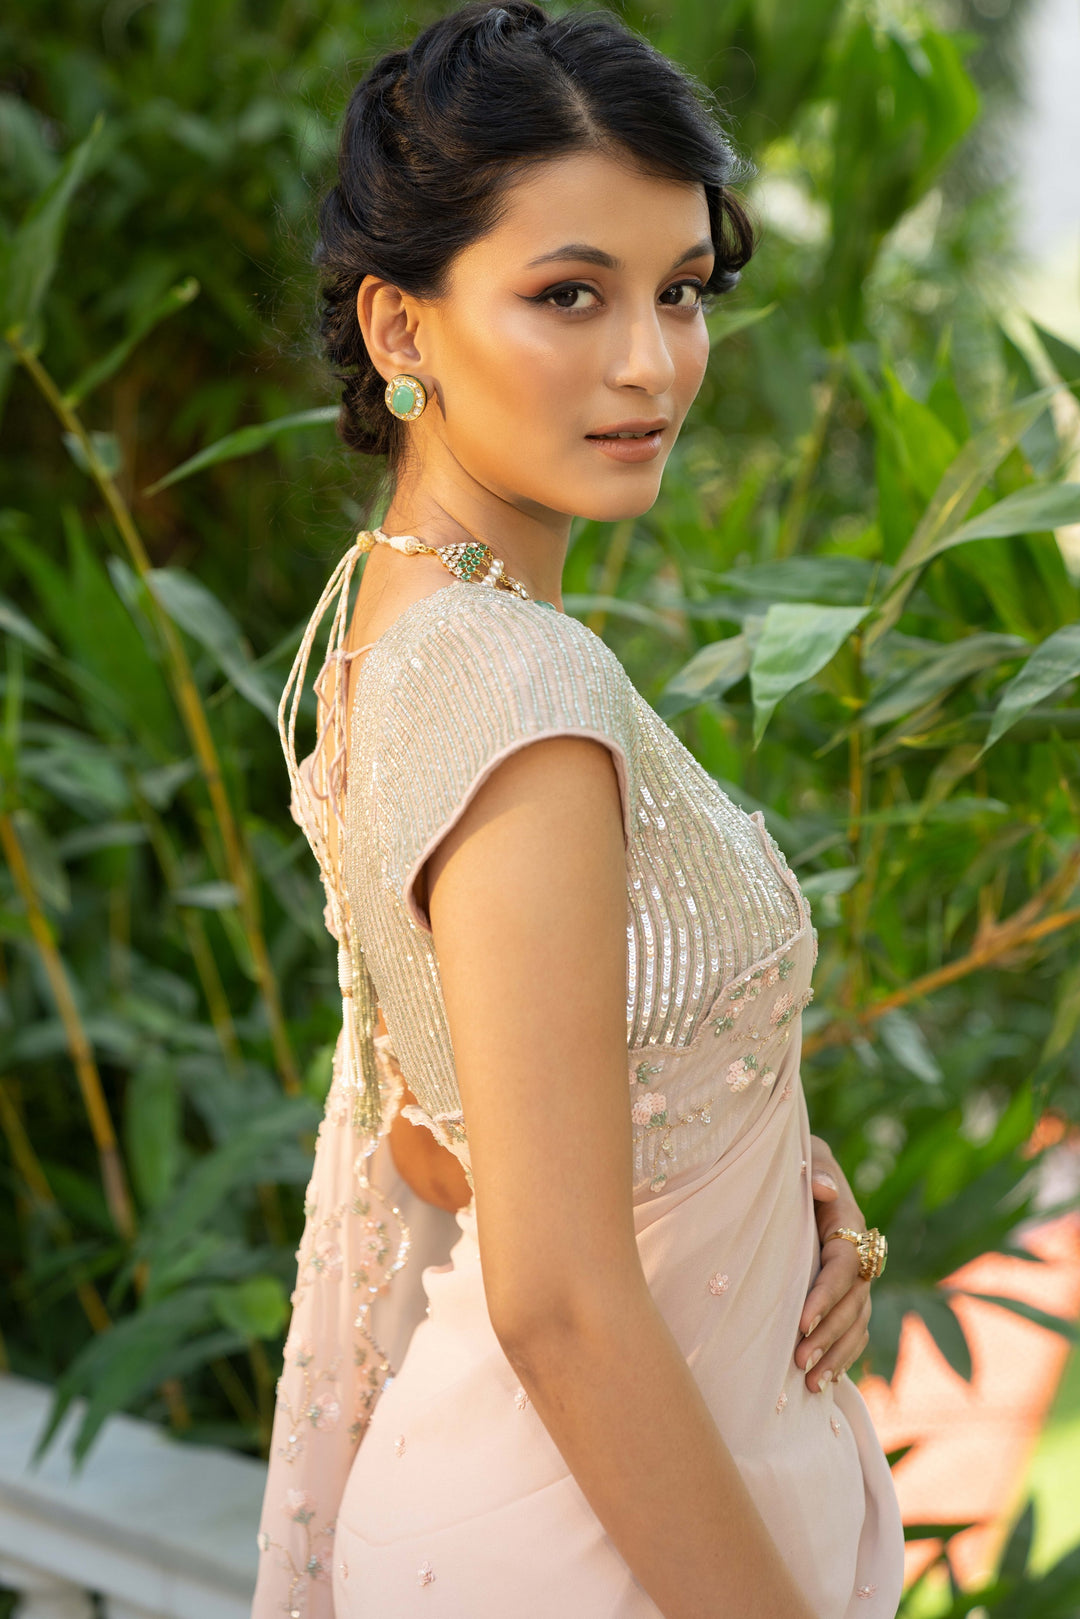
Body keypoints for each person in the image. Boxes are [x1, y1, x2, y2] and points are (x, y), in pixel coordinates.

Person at [252, 3, 904, 1615]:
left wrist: (750, 1162)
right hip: (596, 1549)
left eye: (681, 291)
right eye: (569, 294)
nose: (650, 363)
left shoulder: (387, 626)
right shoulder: (513, 690)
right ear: (401, 329)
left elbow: (438, 1132)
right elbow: (557, 1304)